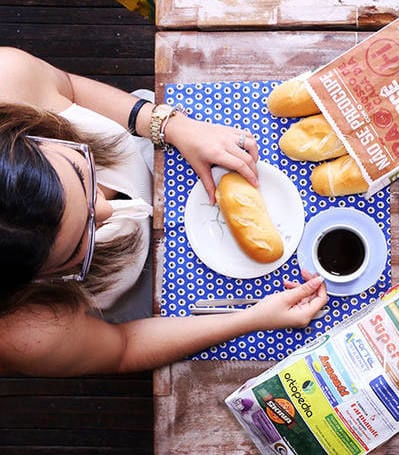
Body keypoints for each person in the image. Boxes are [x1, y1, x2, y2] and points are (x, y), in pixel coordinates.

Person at [0, 47, 327, 377]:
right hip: (140, 289)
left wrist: (169, 126)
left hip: (143, 138)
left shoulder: (8, 77)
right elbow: (123, 348)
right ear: (38, 278)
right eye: (79, 244)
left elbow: (69, 87)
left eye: (80, 170)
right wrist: (253, 319)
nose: (104, 207)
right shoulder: (23, 336)